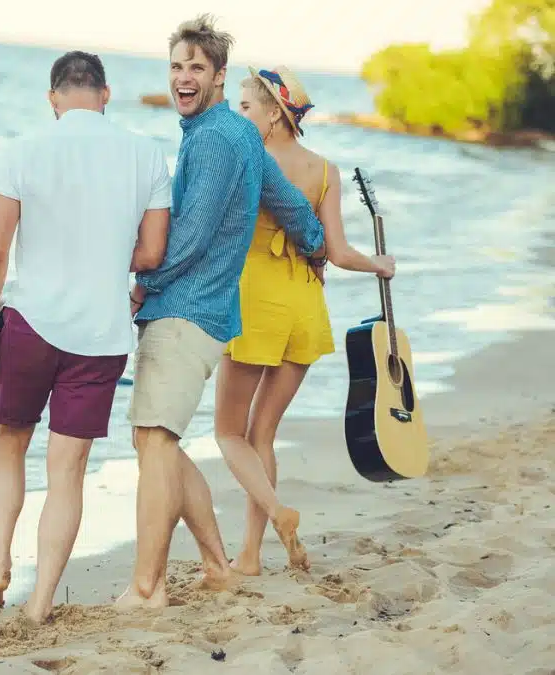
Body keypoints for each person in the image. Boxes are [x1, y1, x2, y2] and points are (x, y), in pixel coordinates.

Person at [120, 15, 327, 609]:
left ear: (218, 76)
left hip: (185, 309)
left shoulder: (212, 138)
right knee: (154, 439)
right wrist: (313, 250)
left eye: (196, 68)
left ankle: (146, 587)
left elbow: (192, 235)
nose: (184, 78)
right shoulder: (241, 135)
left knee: (155, 441)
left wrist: (142, 284)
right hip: (211, 316)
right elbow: (295, 209)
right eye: (177, 67)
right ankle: (215, 562)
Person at [0, 50, 172, 624]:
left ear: (53, 97)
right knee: (68, 471)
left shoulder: (23, 150)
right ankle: (38, 603)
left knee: (10, 441)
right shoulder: (146, 154)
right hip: (102, 334)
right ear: (105, 95)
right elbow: (152, 254)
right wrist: (104, 258)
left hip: (32, 321)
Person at [217, 66, 396, 576]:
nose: (240, 116)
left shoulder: (249, 160)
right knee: (263, 436)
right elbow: (337, 252)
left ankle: (275, 517)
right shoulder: (325, 170)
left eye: (247, 107)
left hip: (256, 304)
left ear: (274, 112)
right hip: (305, 306)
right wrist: (378, 264)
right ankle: (249, 555)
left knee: (229, 434)